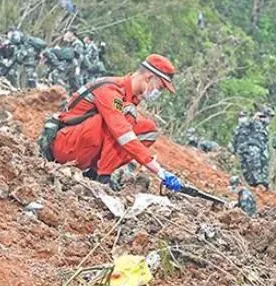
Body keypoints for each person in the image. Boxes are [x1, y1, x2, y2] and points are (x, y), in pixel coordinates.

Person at [38, 54, 182, 192]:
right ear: (149, 77)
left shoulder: (128, 96)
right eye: (160, 87)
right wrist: (159, 171)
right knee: (125, 117)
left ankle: (96, 172)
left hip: (83, 147)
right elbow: (121, 132)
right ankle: (103, 177)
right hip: (66, 145)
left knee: (148, 129)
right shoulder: (111, 89)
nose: (158, 93)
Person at [248, 106, 274, 189]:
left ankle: (263, 181)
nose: (269, 119)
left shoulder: (265, 126)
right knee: (256, 164)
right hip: (255, 146)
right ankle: (256, 182)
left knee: (264, 163)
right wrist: (255, 118)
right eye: (268, 117)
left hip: (262, 147)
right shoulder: (255, 122)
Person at [232, 111, 254, 185]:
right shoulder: (237, 129)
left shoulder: (249, 126)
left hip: (248, 150)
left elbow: (252, 122)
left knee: (250, 167)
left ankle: (252, 183)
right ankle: (245, 182)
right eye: (240, 117)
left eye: (243, 117)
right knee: (242, 167)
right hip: (240, 151)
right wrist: (233, 152)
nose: (241, 119)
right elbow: (234, 140)